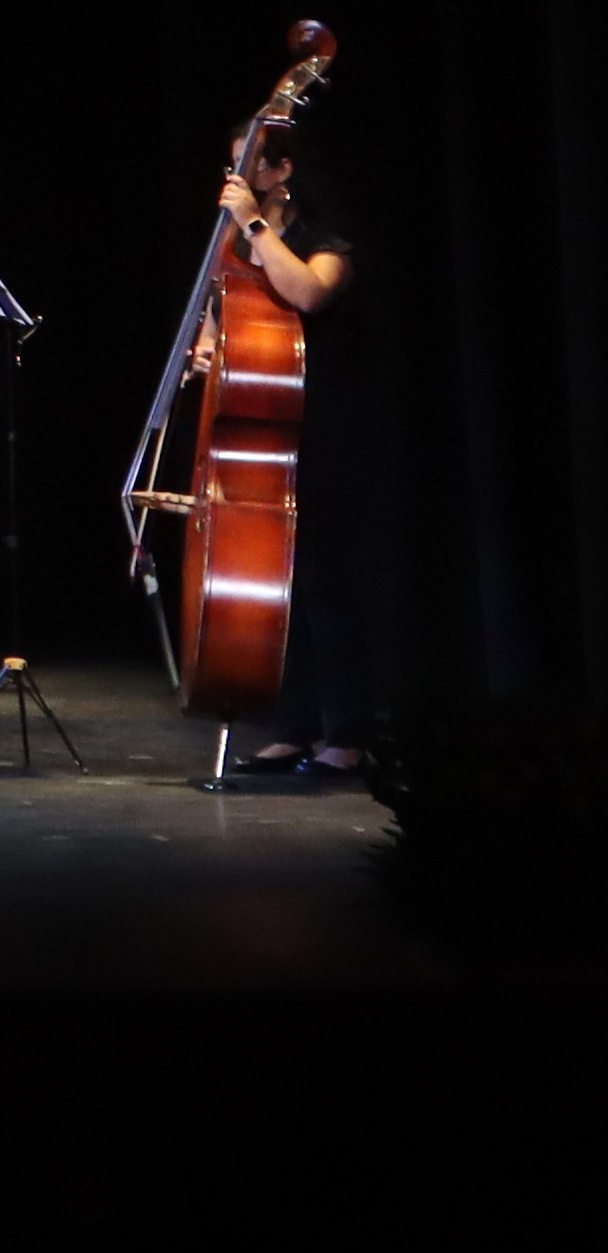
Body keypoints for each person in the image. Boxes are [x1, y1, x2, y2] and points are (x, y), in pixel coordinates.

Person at [199, 148, 365, 782]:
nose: (231, 175)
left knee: (324, 586)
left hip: (323, 424)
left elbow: (310, 292)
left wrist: (255, 226)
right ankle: (293, 729)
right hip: (265, 423)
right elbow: (220, 320)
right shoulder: (236, 249)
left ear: (283, 171)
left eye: (244, 162)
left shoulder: (323, 239)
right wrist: (209, 350)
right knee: (282, 593)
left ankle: (346, 737)